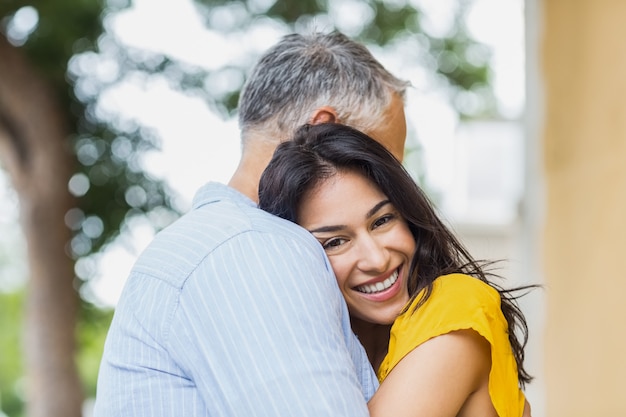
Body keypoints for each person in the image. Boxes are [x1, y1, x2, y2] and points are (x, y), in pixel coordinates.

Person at [93, 31, 409, 416]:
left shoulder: (215, 243)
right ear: (325, 131)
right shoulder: (254, 250)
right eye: (386, 163)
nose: (394, 186)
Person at [258, 122, 536, 417]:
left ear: (408, 215)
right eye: (336, 241)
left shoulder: (455, 308)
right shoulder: (331, 346)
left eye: (382, 221)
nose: (376, 260)